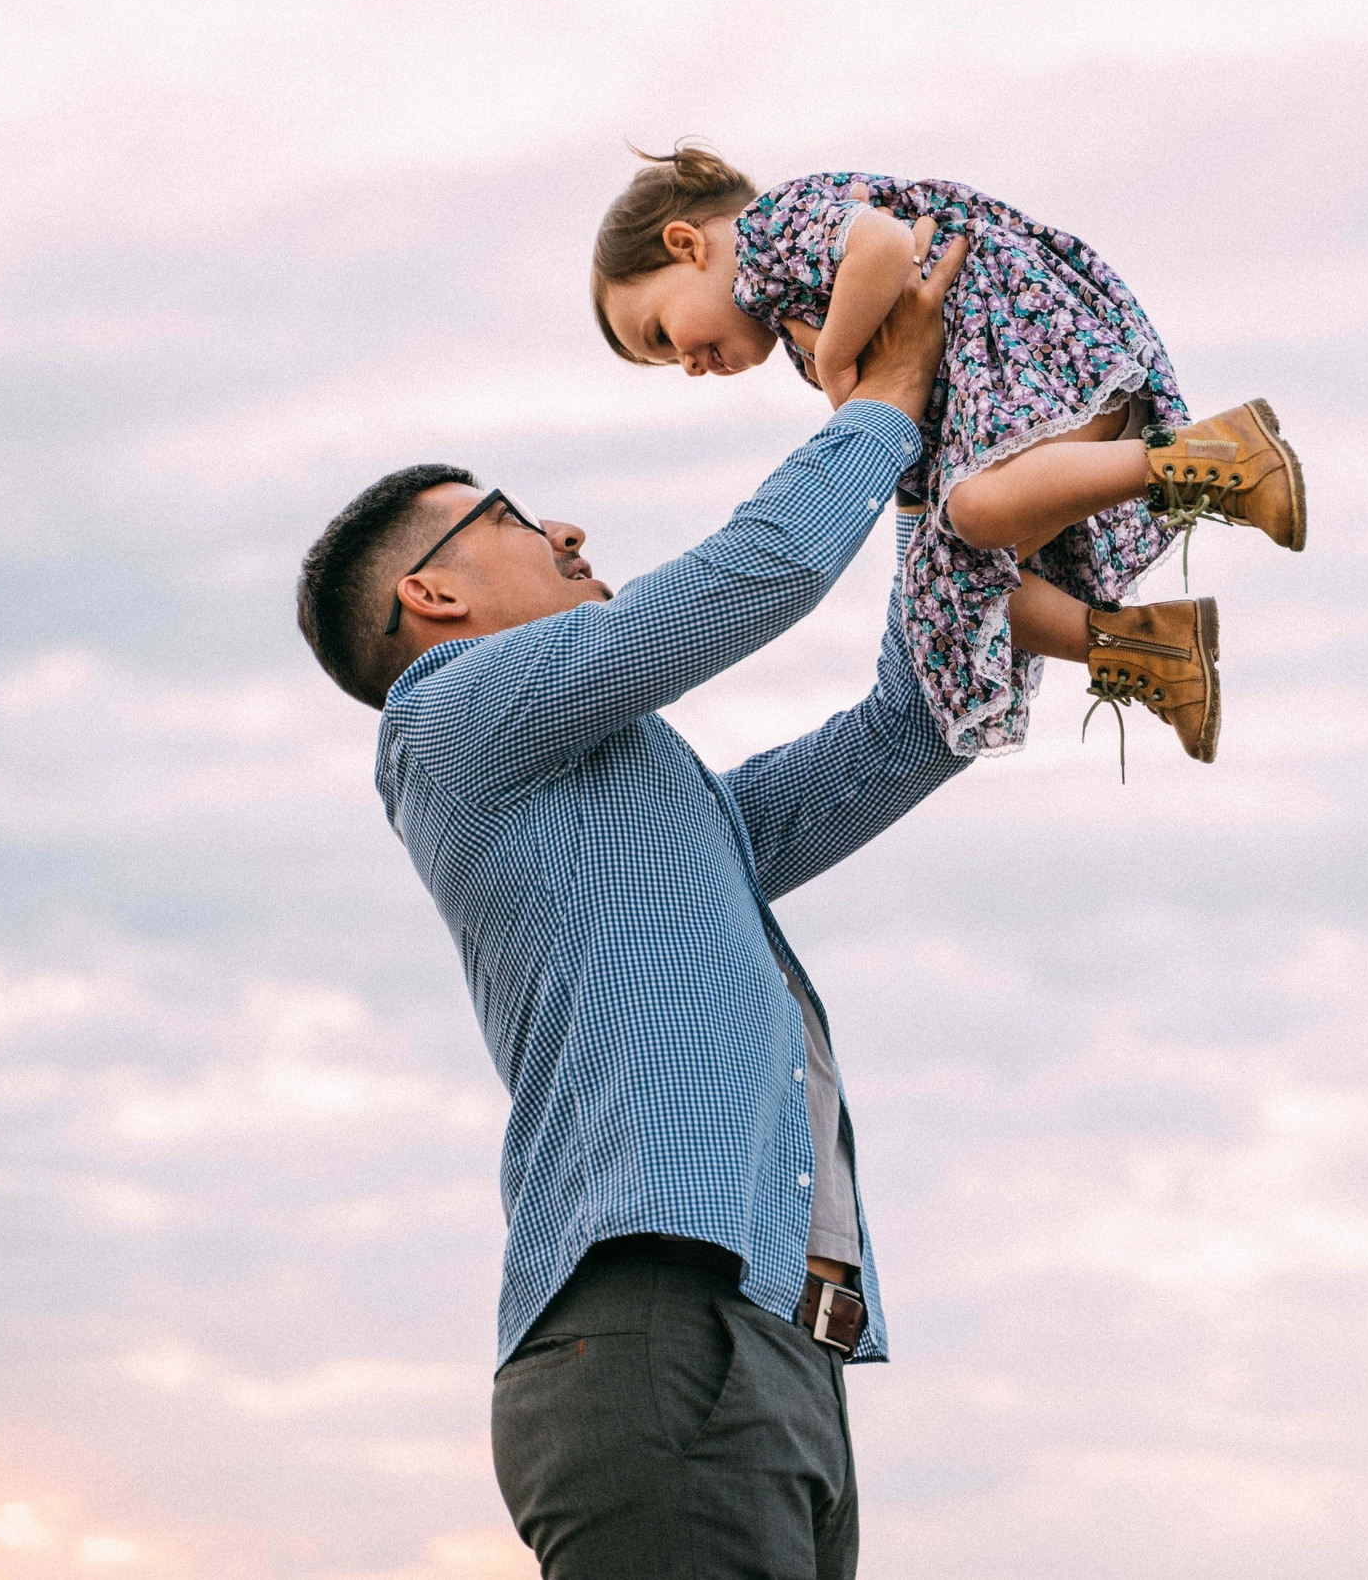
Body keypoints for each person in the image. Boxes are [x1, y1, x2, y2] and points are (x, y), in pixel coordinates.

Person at [293, 229, 971, 1579]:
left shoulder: (654, 807)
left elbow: (906, 729)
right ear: (432, 593)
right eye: (511, 514)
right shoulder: (447, 717)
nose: (565, 529)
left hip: (777, 1350)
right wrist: (885, 404)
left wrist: (961, 524)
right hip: (662, 1332)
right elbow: (758, 573)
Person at [588, 143, 1311, 767]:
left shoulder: (770, 231)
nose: (686, 366)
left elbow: (882, 246)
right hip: (1003, 393)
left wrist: (837, 363)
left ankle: (1217, 457)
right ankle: (1153, 649)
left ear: (687, 245)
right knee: (943, 588)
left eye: (661, 336)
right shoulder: (794, 310)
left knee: (975, 510)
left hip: (1032, 350)